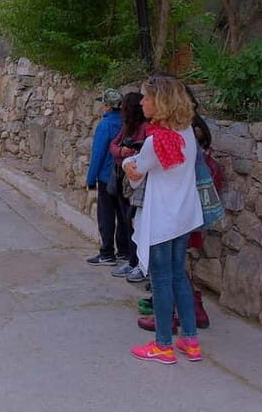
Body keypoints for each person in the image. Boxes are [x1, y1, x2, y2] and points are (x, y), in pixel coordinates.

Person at [123, 76, 204, 364]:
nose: (142, 102)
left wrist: (125, 163)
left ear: (161, 102)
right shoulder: (187, 134)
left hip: (161, 219)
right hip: (183, 216)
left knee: (160, 280)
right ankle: (191, 341)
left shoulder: (155, 141)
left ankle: (163, 345)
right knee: (178, 275)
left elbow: (135, 175)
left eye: (146, 97)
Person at [108, 92, 149, 281]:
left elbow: (143, 154)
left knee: (135, 222)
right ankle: (132, 261)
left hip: (136, 183)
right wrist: (122, 152)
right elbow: (113, 146)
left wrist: (125, 154)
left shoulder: (145, 129)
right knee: (127, 221)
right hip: (123, 180)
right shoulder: (127, 127)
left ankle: (138, 263)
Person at [86, 88, 126, 266]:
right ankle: (125, 251)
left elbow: (98, 154)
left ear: (108, 107)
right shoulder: (127, 123)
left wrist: (90, 179)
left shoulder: (105, 125)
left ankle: (107, 252)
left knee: (106, 215)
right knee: (124, 215)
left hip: (105, 177)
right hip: (124, 175)